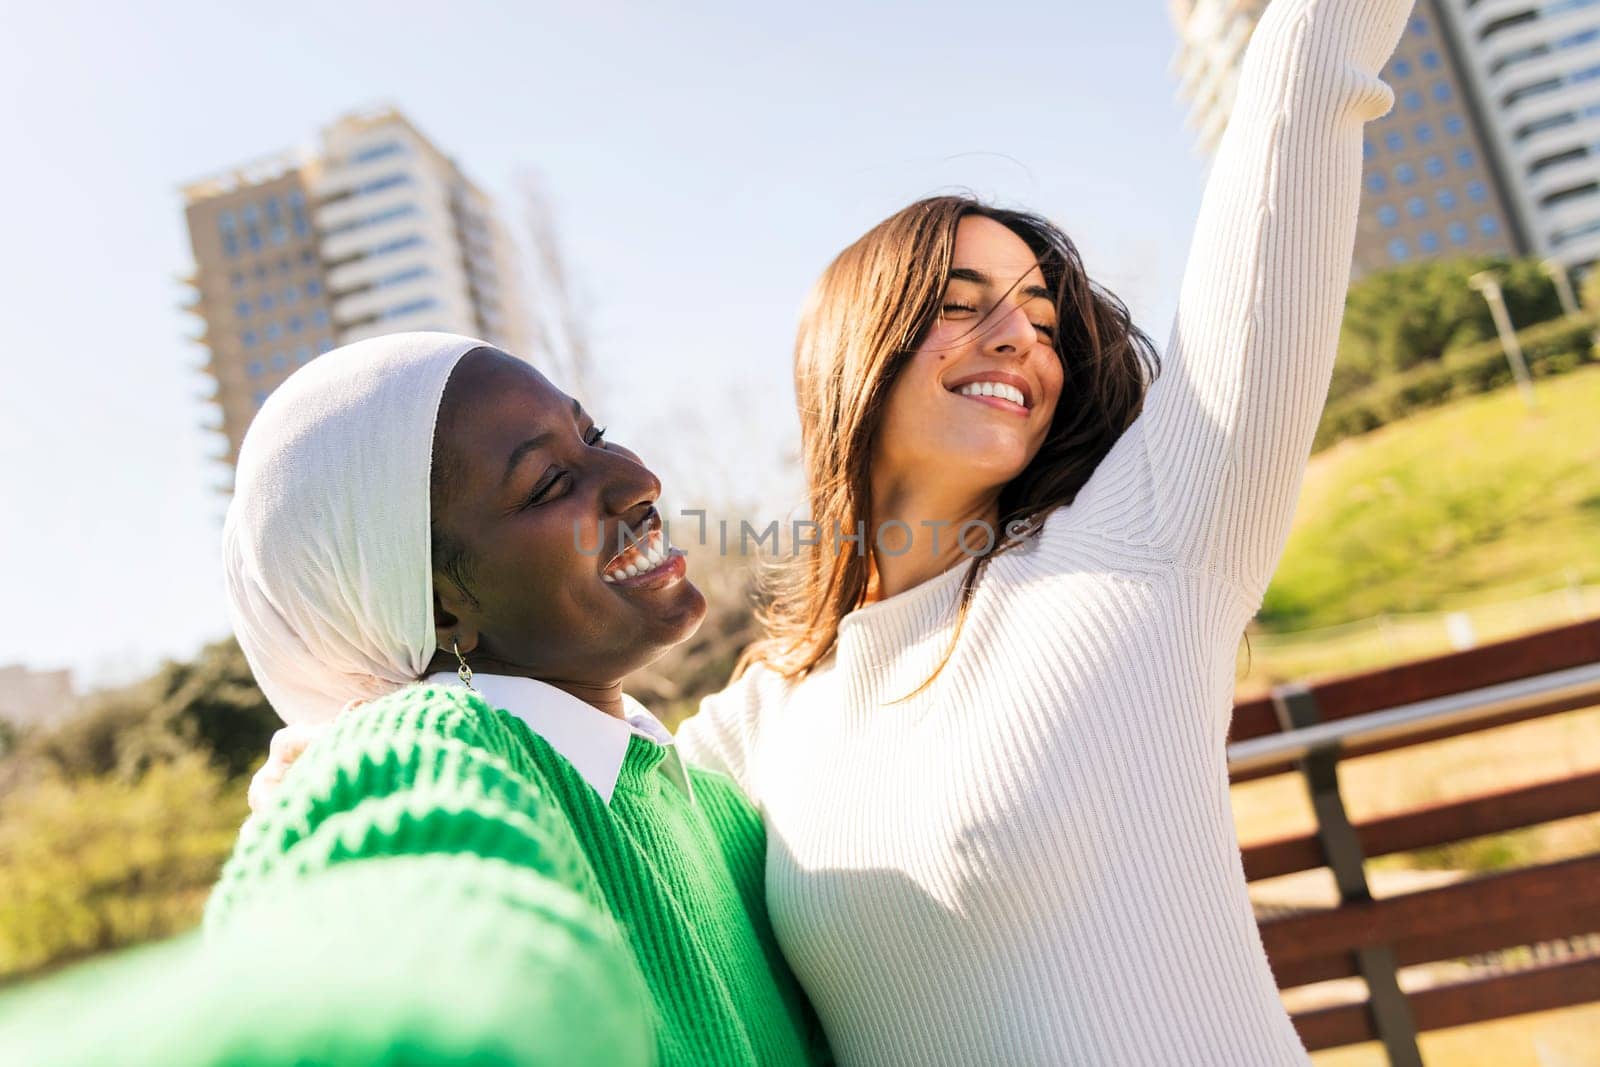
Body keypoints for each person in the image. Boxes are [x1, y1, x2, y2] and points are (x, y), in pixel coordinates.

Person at [675, 1, 1414, 1063]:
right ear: (852, 350)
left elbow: (1298, 93)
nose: (1018, 332)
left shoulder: (1148, 537)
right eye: (961, 299)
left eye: (1044, 318)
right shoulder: (770, 714)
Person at [0, 334, 826, 1067]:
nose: (639, 478)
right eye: (548, 483)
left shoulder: (715, 802)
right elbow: (400, 948)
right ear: (436, 607)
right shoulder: (429, 748)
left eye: (594, 434)